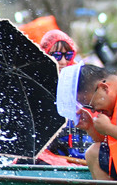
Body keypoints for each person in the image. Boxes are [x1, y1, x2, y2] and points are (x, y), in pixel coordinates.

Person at [39, 29, 91, 163]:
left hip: (84, 156)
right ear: (45, 55)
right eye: (56, 56)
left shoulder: (83, 83)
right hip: (51, 157)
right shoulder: (37, 87)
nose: (63, 61)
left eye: (68, 55)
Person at [65, 64, 117, 181]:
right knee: (94, 153)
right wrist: (90, 128)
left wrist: (108, 128)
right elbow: (114, 143)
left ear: (104, 88)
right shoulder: (114, 102)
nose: (94, 110)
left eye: (90, 104)